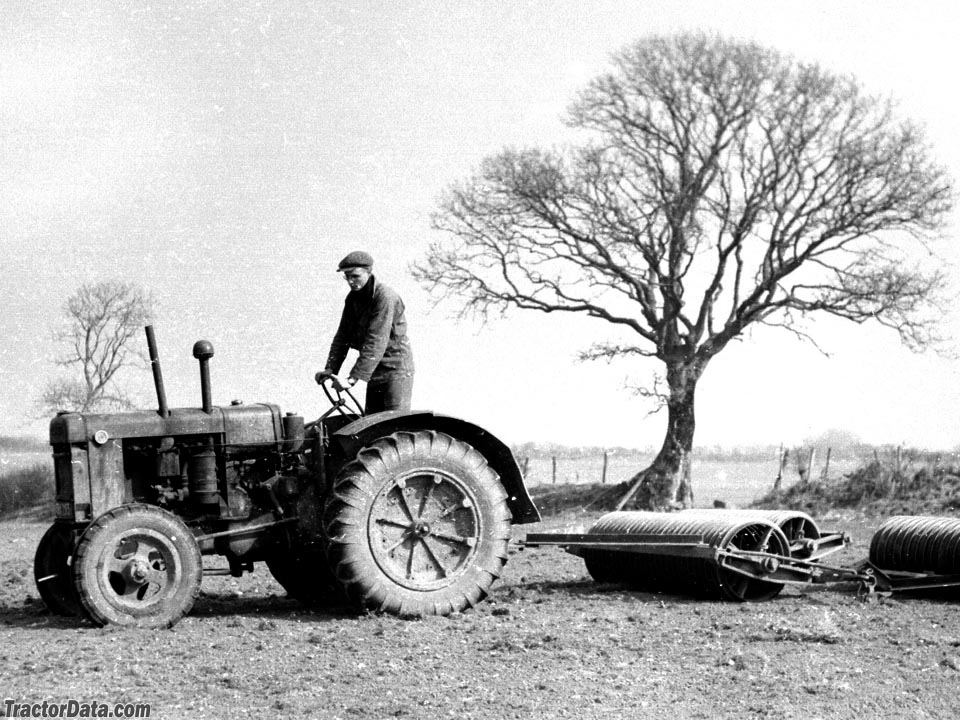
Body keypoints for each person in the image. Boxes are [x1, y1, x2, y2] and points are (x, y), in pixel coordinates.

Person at [316, 251, 414, 413]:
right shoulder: (353, 299)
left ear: (368, 272)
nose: (350, 281)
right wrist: (330, 370)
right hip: (374, 371)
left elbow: (376, 340)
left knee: (393, 425)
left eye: (355, 276)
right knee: (371, 428)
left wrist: (354, 378)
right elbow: (342, 337)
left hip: (396, 370)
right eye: (347, 277)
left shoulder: (385, 297)